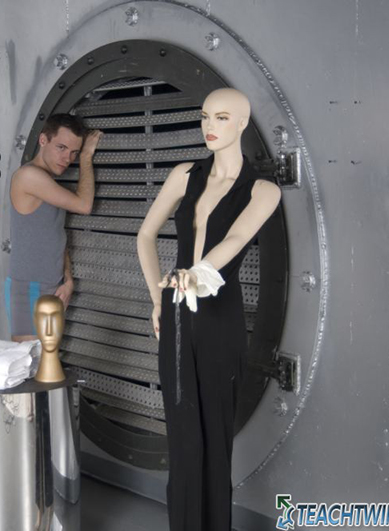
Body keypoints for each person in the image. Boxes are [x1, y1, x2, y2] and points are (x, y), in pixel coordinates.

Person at [137, 88, 281, 530]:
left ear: (242, 123)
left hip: (220, 320)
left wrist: (196, 274)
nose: (209, 126)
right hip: (177, 316)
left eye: (221, 117)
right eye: (205, 116)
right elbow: (145, 235)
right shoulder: (184, 175)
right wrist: (158, 299)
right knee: (182, 438)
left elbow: (235, 239)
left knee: (216, 441)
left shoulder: (263, 190)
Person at [6, 114, 103, 341]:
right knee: (31, 359)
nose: (67, 158)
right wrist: (86, 157)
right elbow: (84, 205)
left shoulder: (48, 183)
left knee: (47, 359)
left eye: (74, 152)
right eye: (61, 147)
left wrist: (67, 280)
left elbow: (55, 236)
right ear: (43, 140)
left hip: (53, 287)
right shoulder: (28, 176)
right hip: (30, 289)